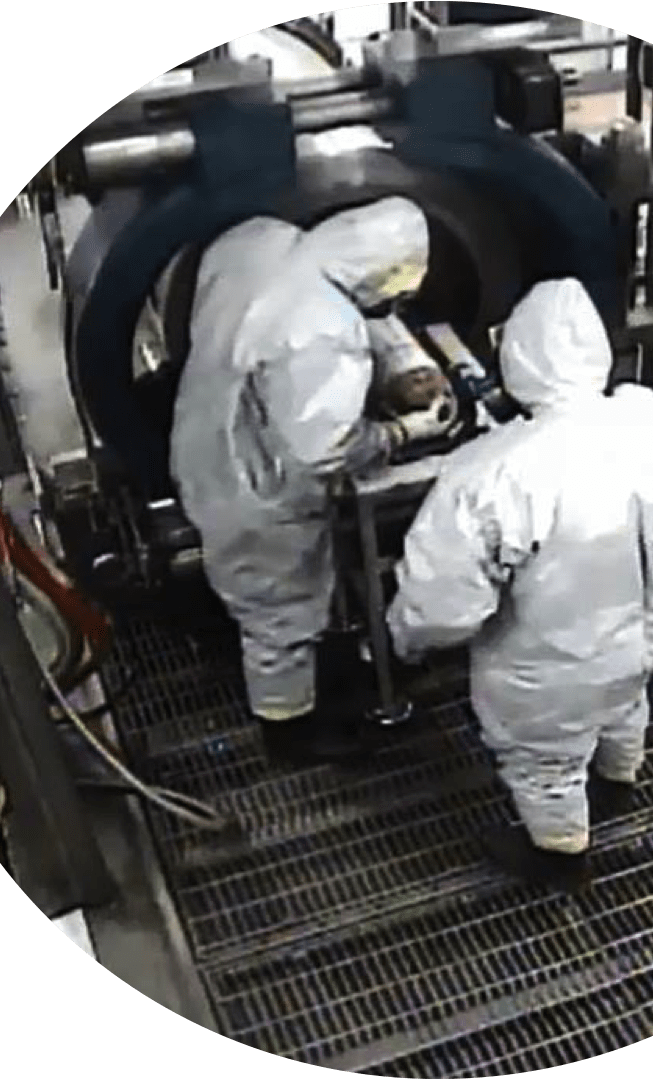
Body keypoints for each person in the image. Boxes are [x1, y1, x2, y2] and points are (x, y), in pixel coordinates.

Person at [385, 278, 653, 892]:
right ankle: (618, 780)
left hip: (550, 669)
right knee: (623, 703)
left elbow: (443, 605)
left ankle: (560, 856)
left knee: (545, 762)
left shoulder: (490, 473)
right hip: (642, 633)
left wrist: (402, 639)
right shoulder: (648, 419)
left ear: (518, 358)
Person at [171, 197, 457, 767]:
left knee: (270, 598)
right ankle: (291, 736)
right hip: (256, 487)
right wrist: (401, 432)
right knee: (278, 611)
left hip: (206, 427)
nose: (396, 305)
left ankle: (308, 675)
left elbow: (353, 301)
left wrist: (406, 365)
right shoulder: (324, 335)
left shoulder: (263, 238)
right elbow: (325, 451)